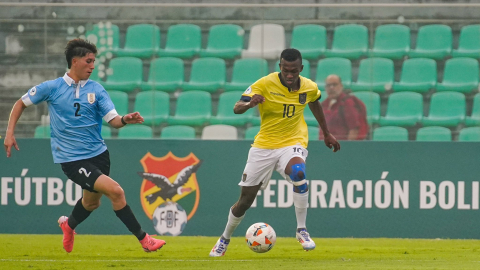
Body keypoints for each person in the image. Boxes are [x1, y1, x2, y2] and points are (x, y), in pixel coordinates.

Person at [3, 39, 166, 253]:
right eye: (89, 61)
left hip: (99, 155)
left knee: (91, 203)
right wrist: (9, 133)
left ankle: (68, 225)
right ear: (75, 61)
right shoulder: (52, 88)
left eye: (94, 62)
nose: (93, 66)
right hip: (71, 159)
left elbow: (113, 120)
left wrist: (125, 119)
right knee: (116, 192)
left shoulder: (96, 90)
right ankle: (145, 240)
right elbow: (20, 103)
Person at [209, 48, 340, 257]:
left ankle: (301, 230)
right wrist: (249, 103)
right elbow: (237, 107)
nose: (289, 75)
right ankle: (224, 239)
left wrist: (326, 133)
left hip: (293, 142)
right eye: (286, 70)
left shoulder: (309, 87)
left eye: (294, 71)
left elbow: (314, 102)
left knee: (298, 172)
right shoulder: (264, 83)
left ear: (301, 69)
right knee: (245, 201)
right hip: (264, 146)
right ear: (280, 67)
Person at [320, 74, 368, 140]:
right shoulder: (324, 104)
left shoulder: (347, 103)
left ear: (341, 86)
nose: (331, 88)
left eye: (334, 84)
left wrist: (346, 149)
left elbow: (354, 130)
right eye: (328, 85)